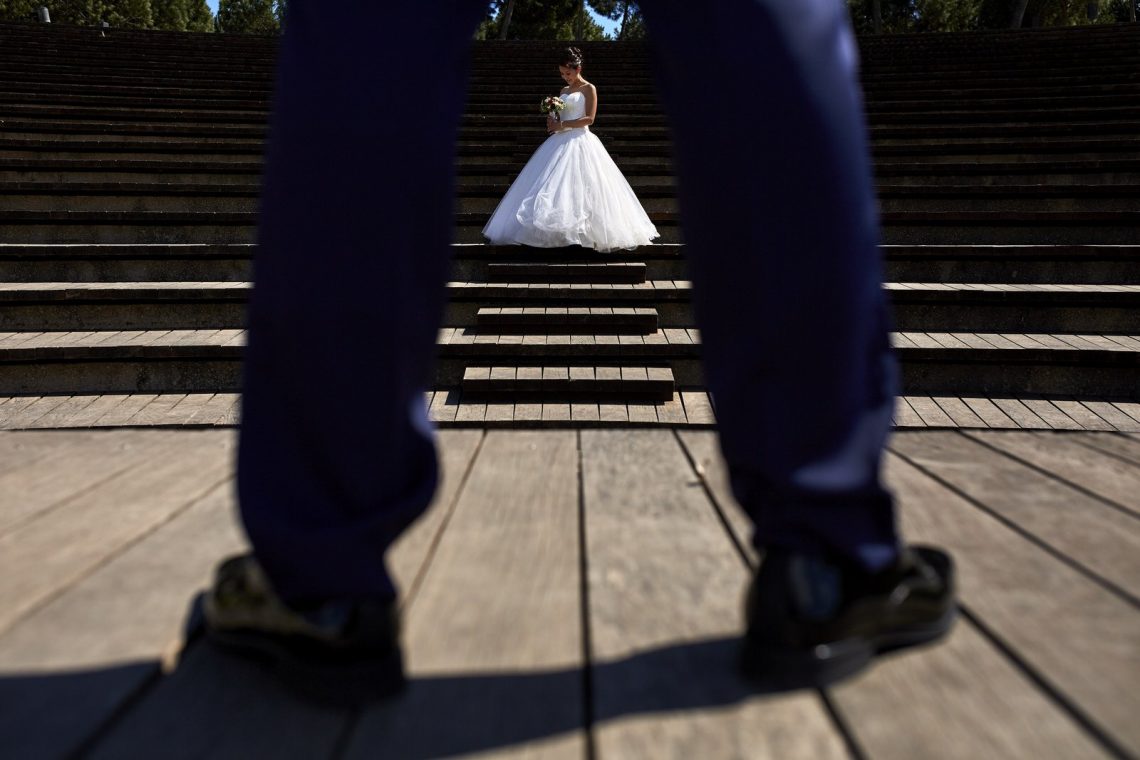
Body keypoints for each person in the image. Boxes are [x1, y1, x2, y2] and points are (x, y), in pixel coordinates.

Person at [202, 0, 955, 703]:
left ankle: (320, 580)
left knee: (375, 31)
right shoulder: (563, 91)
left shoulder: (585, 90)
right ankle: (821, 562)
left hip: (570, 149)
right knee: (750, 22)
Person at [482, 46, 659, 251]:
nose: (565, 77)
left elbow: (589, 119)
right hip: (559, 140)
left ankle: (586, 234)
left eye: (568, 73)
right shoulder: (564, 92)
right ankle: (555, 234)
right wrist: (553, 118)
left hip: (580, 139)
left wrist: (563, 125)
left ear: (578, 69)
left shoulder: (588, 88)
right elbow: (561, 115)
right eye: (562, 74)